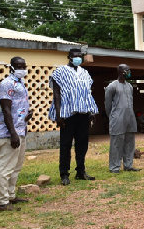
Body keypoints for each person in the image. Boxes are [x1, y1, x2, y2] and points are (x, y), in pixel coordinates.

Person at [49, 48, 99, 185]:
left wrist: (91, 112)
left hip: (83, 113)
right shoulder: (60, 72)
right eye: (75, 56)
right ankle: (64, 174)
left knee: (82, 144)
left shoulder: (85, 73)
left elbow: (88, 93)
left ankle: (81, 171)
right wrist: (58, 116)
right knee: (65, 145)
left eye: (80, 56)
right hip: (67, 114)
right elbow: (57, 94)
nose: (78, 58)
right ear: (69, 57)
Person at [0, 57, 32, 211]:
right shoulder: (7, 84)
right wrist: (13, 133)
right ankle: (1, 203)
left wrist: (25, 120)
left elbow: (16, 108)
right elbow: (6, 110)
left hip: (20, 129)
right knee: (6, 168)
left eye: (24, 65)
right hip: (10, 133)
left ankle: (10, 195)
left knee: (16, 166)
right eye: (19, 66)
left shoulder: (20, 83)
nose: (22, 68)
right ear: (12, 67)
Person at [104, 64, 140, 173]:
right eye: (126, 70)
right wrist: (112, 116)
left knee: (130, 142)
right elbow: (107, 105)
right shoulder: (112, 86)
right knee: (116, 143)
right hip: (117, 118)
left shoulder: (129, 86)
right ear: (120, 71)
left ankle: (128, 165)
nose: (129, 72)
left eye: (129, 69)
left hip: (130, 117)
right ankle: (114, 167)